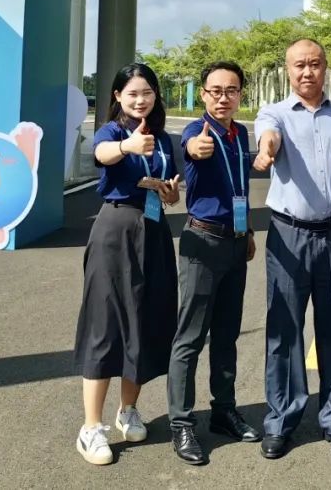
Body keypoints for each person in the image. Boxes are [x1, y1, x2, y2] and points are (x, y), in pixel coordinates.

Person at [253, 39, 331, 460]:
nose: (308, 72)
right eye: (299, 65)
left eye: (315, 64)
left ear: (326, 67)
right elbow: (268, 138)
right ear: (288, 70)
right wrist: (267, 151)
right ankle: (281, 420)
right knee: (284, 329)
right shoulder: (274, 114)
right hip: (288, 235)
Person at [73, 63, 181, 466]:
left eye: (147, 93)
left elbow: (169, 187)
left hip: (153, 229)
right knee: (105, 323)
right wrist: (127, 148)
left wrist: (170, 193)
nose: (141, 100)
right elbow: (100, 154)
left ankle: (128, 410)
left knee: (144, 319)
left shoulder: (162, 138)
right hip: (115, 229)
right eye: (133, 93)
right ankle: (90, 427)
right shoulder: (113, 132)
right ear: (118, 96)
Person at [167, 61, 262, 466]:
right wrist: (194, 148)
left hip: (235, 243)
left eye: (232, 90)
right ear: (203, 94)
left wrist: (248, 231)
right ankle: (181, 423)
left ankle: (224, 411)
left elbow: (239, 187)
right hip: (203, 242)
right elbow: (193, 147)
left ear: (241, 94)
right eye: (216, 90)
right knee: (190, 337)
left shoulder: (240, 134)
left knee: (226, 334)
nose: (224, 97)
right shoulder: (198, 131)